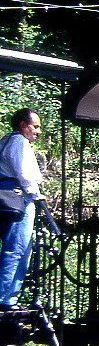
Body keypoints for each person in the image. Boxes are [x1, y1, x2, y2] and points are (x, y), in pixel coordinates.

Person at [0, 109, 45, 310]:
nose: (38, 131)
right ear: (22, 125)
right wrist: (35, 194)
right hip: (19, 199)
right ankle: (5, 298)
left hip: (8, 198)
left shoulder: (6, 139)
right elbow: (23, 172)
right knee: (16, 249)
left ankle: (9, 297)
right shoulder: (19, 142)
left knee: (19, 248)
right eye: (35, 126)